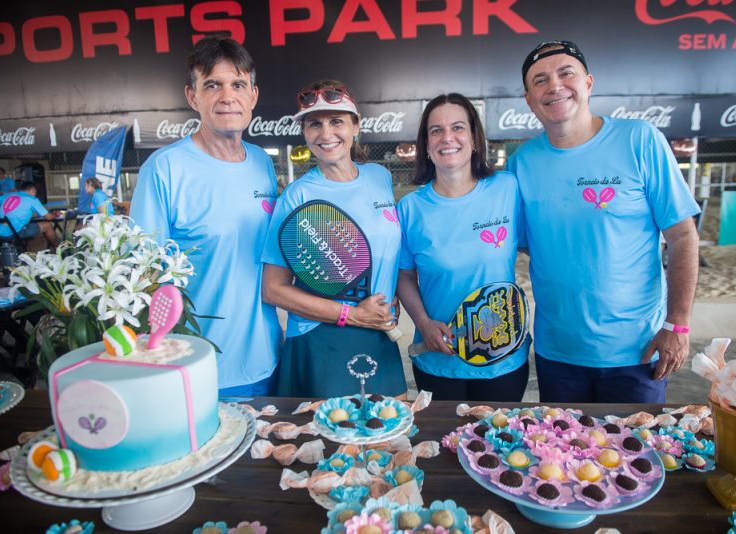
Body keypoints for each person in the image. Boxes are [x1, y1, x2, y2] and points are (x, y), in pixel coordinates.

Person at [506, 40, 700, 403]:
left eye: (566, 73)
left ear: (589, 83)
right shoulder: (522, 162)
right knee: (561, 457)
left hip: (637, 353)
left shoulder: (639, 140)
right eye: (540, 80)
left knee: (636, 456)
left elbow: (683, 237)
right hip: (558, 354)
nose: (555, 86)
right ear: (529, 99)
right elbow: (523, 244)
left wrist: (677, 323)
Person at [130, 35, 281, 397]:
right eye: (213, 85)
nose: (227, 96)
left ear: (253, 97)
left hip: (268, 358)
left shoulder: (262, 163)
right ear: (192, 96)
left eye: (238, 84)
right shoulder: (164, 169)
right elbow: (141, 275)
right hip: (197, 367)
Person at [261, 80, 406, 398]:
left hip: (379, 328)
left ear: (356, 125)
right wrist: (352, 314)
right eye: (315, 124)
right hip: (322, 338)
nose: (326, 134)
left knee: (390, 435)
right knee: (332, 443)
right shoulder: (298, 196)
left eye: (337, 121)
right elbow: (273, 290)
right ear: (305, 132)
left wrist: (389, 297)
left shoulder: (379, 177)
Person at [395, 94, 531, 402]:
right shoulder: (410, 208)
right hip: (438, 362)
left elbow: (537, 246)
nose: (447, 138)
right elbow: (404, 277)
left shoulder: (508, 188)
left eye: (458, 127)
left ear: (474, 139)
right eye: (436, 131)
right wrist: (423, 323)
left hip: (504, 362)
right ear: (427, 146)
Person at [0, 181, 59, 247]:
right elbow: (49, 217)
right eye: (35, 192)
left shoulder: (9, 195)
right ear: (33, 190)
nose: (35, 195)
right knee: (47, 225)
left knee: (30, 225)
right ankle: (60, 249)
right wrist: (55, 214)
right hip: (11, 234)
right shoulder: (32, 199)